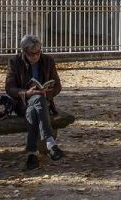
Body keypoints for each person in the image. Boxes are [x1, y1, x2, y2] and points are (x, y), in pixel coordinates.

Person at [5, 34, 74, 170]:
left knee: (35, 107)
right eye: (32, 54)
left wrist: (47, 92)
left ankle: (32, 154)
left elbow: (58, 86)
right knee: (35, 103)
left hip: (43, 101)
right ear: (24, 52)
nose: (36, 56)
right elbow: (9, 88)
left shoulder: (48, 61)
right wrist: (26, 93)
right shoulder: (15, 62)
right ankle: (50, 143)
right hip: (23, 104)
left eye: (39, 52)